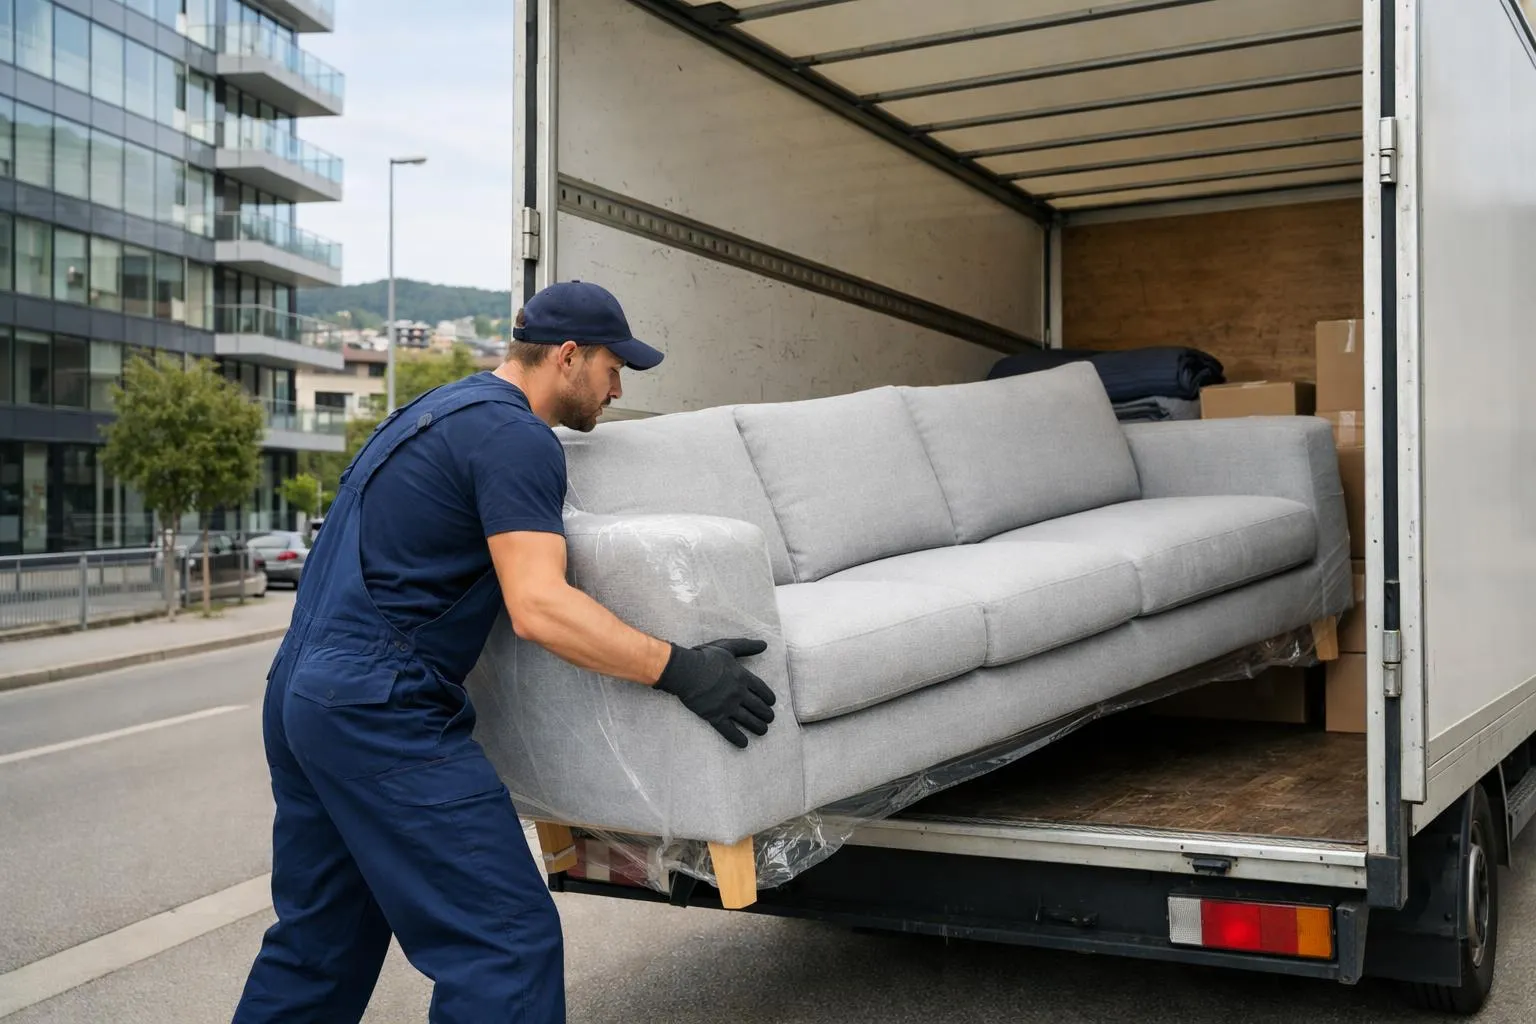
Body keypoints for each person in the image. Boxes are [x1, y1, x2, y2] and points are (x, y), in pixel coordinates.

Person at [233, 281, 777, 1023]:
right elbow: (539, 606)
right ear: (567, 355)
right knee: (506, 944)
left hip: (301, 693)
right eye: (614, 368)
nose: (618, 390)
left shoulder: (427, 413)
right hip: (377, 710)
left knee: (319, 947)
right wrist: (682, 669)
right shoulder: (515, 438)